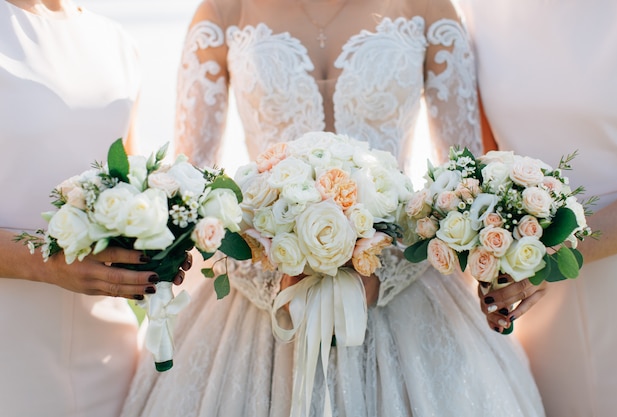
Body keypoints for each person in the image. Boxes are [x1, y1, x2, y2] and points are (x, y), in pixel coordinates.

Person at [121, 0, 545, 416]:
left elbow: (461, 182)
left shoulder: (430, 9)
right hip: (261, 285)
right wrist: (270, 256)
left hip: (401, 282)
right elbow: (194, 187)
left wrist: (482, 261)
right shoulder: (223, 12)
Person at [0, 1, 188, 415]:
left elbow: (132, 178)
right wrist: (46, 263)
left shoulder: (116, 43)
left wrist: (164, 242)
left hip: (109, 350)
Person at [457, 0, 617, 416]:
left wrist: (554, 256)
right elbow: (485, 159)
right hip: (533, 295)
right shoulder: (479, 12)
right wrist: (493, 257)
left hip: (587, 265)